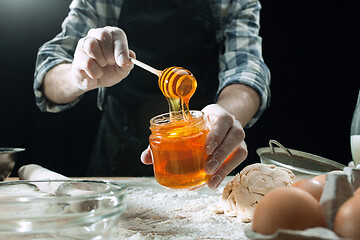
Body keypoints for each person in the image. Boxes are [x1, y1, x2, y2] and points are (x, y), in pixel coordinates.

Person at [34, 0, 271, 189]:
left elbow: (247, 68)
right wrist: (79, 76)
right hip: (116, 158)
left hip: (202, 148)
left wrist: (226, 116)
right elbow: (48, 72)